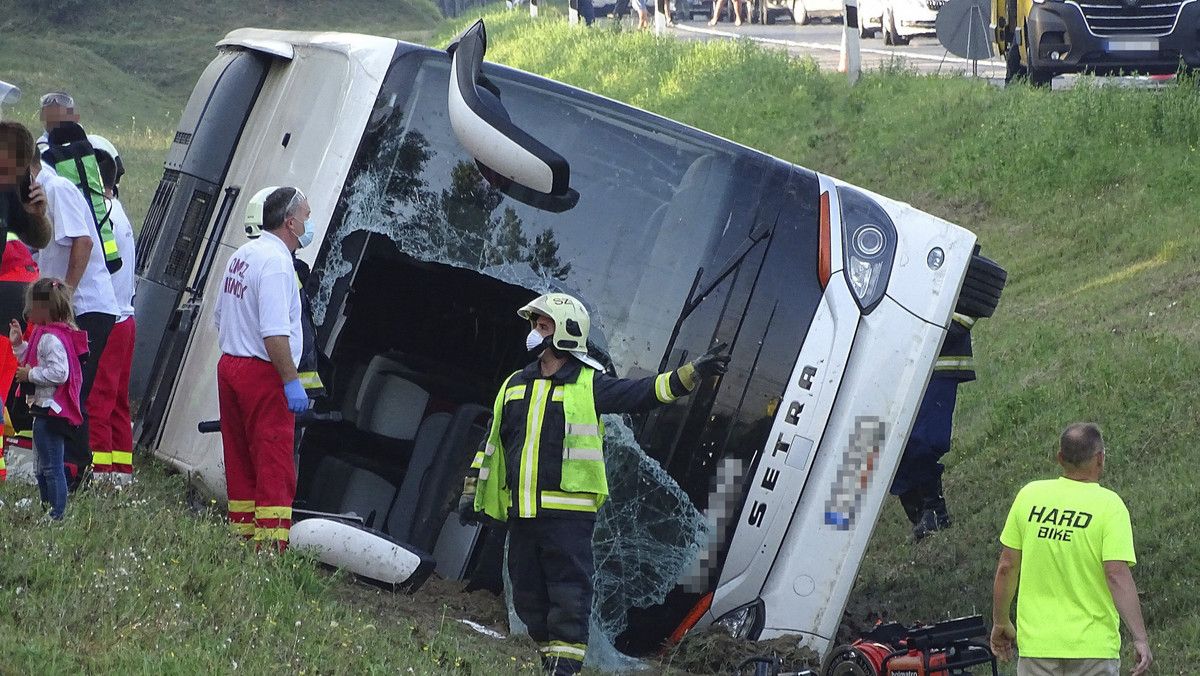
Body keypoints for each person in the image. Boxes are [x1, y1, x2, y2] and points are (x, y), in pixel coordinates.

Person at [459, 292, 730, 676]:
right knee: (527, 599)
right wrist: (471, 492)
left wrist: (690, 375)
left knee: (570, 595)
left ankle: (563, 669)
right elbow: (491, 446)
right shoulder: (515, 385)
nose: (535, 333)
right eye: (535, 325)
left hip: (568, 518)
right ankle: (550, 658)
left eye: (543, 326)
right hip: (521, 513)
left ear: (566, 333)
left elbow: (644, 393)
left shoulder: (590, 385)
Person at [991, 422, 1152, 676]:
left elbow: (1007, 567)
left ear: (1059, 458)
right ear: (1100, 458)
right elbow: (1116, 575)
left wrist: (1001, 621)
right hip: (1093, 650)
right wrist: (1140, 638)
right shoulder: (1109, 507)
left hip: (1037, 648)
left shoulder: (1029, 496)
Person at [17, 120, 120, 490]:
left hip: (86, 306)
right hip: (61, 306)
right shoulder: (34, 196)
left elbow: (84, 242)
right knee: (62, 388)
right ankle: (66, 472)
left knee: (69, 388)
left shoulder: (58, 190)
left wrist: (68, 295)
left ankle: (74, 474)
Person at [213, 186, 312, 551]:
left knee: (240, 458)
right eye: (306, 216)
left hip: (231, 366)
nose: (308, 223)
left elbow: (220, 317)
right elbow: (274, 333)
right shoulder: (277, 264)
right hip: (262, 374)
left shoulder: (243, 255)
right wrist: (290, 381)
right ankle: (268, 551)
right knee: (273, 462)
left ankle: (241, 542)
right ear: (290, 223)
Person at [890, 312, 977, 539]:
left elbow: (978, 285)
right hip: (889, 357)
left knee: (923, 440)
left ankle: (934, 511)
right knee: (891, 444)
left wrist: (947, 327)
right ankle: (921, 517)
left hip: (937, 358)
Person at [10, 277, 89, 520]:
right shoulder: (46, 335)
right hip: (42, 410)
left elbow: (59, 372)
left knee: (52, 467)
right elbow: (36, 358)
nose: (29, 310)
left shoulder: (51, 338)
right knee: (41, 469)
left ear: (45, 308)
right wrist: (19, 345)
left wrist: (30, 375)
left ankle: (57, 514)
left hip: (52, 412)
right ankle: (48, 510)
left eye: (33, 305)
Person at [85, 137, 137, 485]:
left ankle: (100, 474)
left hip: (109, 319)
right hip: (125, 318)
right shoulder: (116, 212)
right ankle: (121, 472)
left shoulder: (102, 217)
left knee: (97, 401)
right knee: (117, 401)